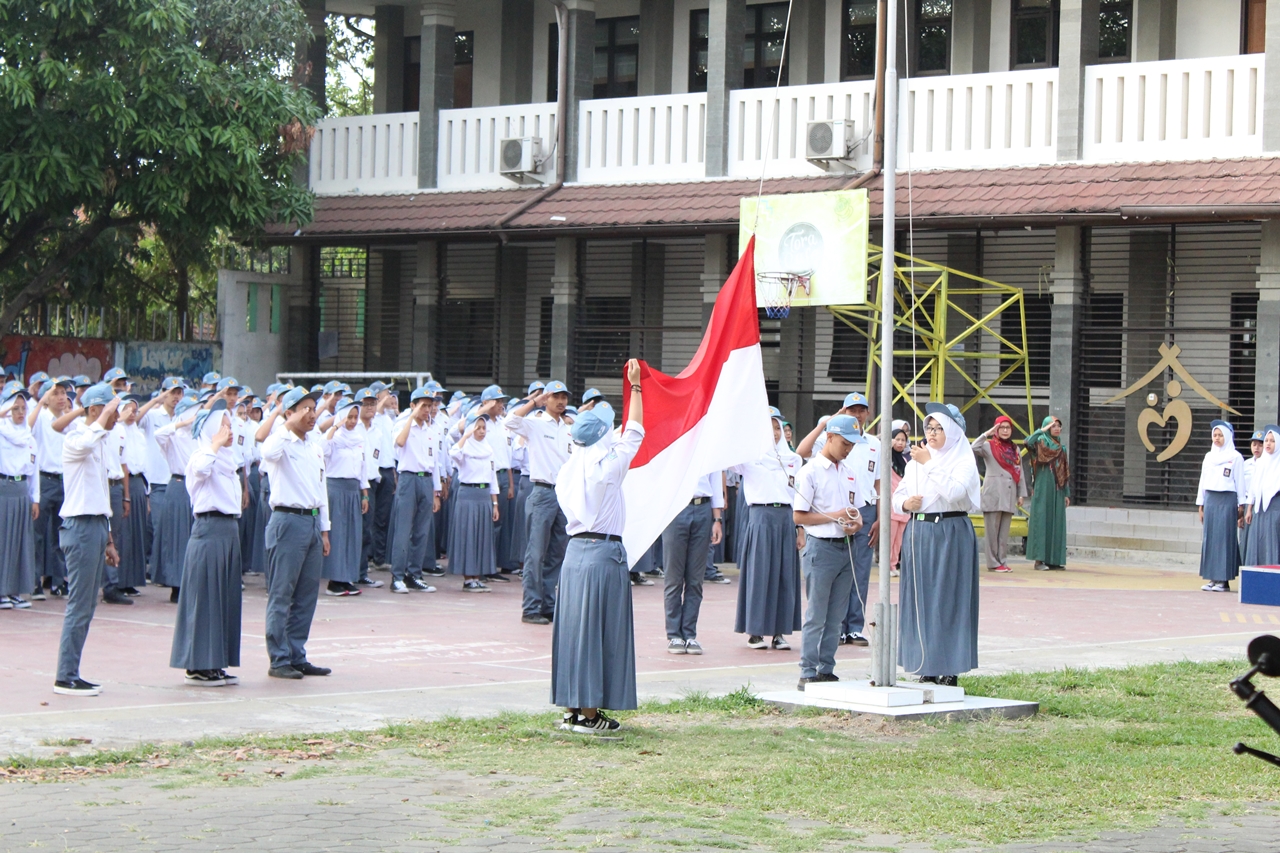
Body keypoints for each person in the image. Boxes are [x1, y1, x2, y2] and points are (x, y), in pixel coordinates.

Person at [551, 361, 645, 733]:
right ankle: (590, 716)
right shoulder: (608, 466)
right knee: (596, 634)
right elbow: (635, 429)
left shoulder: (568, 469)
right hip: (603, 555)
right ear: (604, 435)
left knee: (575, 631)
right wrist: (635, 387)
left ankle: (573, 709)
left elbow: (620, 432)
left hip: (574, 555)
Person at [893, 402, 982, 687]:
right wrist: (905, 503)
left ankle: (950, 666)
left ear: (953, 432)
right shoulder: (918, 460)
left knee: (948, 598)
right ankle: (925, 663)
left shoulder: (962, 460)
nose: (931, 434)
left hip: (950, 531)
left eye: (939, 428)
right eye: (929, 428)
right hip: (919, 531)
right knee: (921, 598)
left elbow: (955, 493)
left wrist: (928, 464)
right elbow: (899, 495)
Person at [259, 386, 333, 680]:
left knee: (306, 595)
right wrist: (285, 422)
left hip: (312, 521)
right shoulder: (282, 443)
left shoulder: (313, 446)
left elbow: (321, 489)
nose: (312, 414)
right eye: (305, 408)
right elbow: (266, 450)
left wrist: (324, 530)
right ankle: (278, 658)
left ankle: (296, 653)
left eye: (314, 408)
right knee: (281, 593)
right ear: (289, 413)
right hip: (287, 521)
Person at [53, 383, 122, 696]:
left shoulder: (100, 440)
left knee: (87, 606)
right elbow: (84, 442)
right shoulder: (77, 438)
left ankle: (72, 671)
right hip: (80, 528)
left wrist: (108, 538)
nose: (118, 416)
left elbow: (101, 492)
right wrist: (100, 415)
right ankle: (65, 676)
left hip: (94, 526)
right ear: (96, 409)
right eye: (112, 410)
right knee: (79, 605)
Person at [170, 402, 243, 686]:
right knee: (205, 599)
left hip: (228, 529)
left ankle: (216, 661)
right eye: (224, 424)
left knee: (224, 598)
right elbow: (200, 470)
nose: (230, 429)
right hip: (209, 527)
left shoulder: (228, 460)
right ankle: (197, 665)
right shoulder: (201, 455)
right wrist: (213, 445)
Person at [792, 416, 866, 691]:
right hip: (820, 548)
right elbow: (798, 515)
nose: (847, 449)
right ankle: (807, 669)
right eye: (845, 443)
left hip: (845, 548)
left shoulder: (848, 472)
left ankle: (827, 667)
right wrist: (836, 517)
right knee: (817, 614)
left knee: (836, 615)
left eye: (852, 445)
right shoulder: (810, 472)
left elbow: (857, 510)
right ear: (831, 437)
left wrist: (855, 524)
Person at [731, 407, 803, 650]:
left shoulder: (792, 460)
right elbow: (729, 456)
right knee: (760, 574)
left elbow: (797, 495)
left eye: (776, 427)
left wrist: (800, 528)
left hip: (785, 518)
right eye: (768, 427)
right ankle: (756, 631)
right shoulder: (749, 458)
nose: (773, 433)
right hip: (760, 517)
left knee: (784, 575)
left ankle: (780, 632)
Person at [506, 380, 574, 625]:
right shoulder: (535, 423)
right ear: (548, 399)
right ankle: (531, 607)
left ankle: (548, 605)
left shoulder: (569, 427)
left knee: (557, 553)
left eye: (564, 397)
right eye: (556, 396)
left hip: (564, 495)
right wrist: (534, 401)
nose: (561, 401)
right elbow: (510, 421)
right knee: (535, 553)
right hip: (543, 492)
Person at [389, 386, 444, 594]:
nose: (427, 410)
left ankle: (415, 574)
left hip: (426, 481)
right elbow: (400, 443)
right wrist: (411, 417)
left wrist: (436, 491)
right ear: (412, 405)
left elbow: (435, 463)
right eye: (423, 405)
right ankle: (397, 576)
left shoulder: (431, 431)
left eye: (430, 406)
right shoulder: (403, 425)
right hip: (408, 478)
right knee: (403, 530)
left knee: (422, 531)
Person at [662, 472, 723, 655]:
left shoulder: (707, 446)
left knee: (695, 579)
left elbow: (715, 481)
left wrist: (717, 519)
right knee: (674, 577)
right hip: (676, 507)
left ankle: (689, 634)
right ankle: (674, 634)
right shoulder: (674, 445)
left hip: (703, 507)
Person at [29, 376, 74, 598]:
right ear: (46, 398)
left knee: (61, 535)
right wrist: (39, 402)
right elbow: (28, 425)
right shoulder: (41, 418)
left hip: (64, 481)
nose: (61, 397)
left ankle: (59, 580)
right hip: (44, 480)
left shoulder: (69, 421)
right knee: (37, 534)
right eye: (55, 393)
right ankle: (35, 580)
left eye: (64, 393)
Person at [321, 398, 368, 597]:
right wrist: (335, 427)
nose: (352, 421)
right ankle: (334, 579)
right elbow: (323, 450)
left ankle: (347, 577)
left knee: (352, 535)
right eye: (349, 417)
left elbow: (363, 467)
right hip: (335, 488)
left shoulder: (359, 437)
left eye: (355, 417)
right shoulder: (333, 437)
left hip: (352, 489)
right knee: (338, 534)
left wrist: (364, 493)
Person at [153, 397, 200, 600]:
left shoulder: (199, 437)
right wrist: (181, 423)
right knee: (177, 538)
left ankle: (191, 582)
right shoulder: (173, 435)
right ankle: (175, 584)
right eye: (193, 412)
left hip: (196, 486)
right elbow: (158, 433)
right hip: (179, 485)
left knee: (192, 536)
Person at [448, 412, 500, 592]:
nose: (482, 431)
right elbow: (453, 452)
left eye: (484, 427)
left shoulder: (488, 449)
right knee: (468, 535)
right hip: (467, 494)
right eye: (477, 427)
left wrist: (494, 503)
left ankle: (477, 576)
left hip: (484, 495)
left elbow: (492, 478)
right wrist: (466, 435)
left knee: (482, 536)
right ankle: (468, 578)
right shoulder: (464, 448)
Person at [971, 415, 1028, 573]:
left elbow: (1019, 472)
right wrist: (986, 434)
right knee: (992, 531)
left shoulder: (1014, 449)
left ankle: (1002, 560)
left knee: (1003, 532)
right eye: (1001, 428)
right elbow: (973, 447)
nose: (1004, 431)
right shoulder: (989, 446)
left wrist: (1021, 493)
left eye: (1007, 428)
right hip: (994, 493)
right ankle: (993, 563)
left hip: (1009, 493)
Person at [1196, 420, 1246, 593]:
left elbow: (1240, 482)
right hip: (1211, 499)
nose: (1217, 438)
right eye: (1215, 435)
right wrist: (1200, 505)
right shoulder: (1209, 457)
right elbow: (1203, 481)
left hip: (1227, 500)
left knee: (1224, 539)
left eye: (1220, 435)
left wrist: (1241, 505)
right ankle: (1212, 578)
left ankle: (1223, 580)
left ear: (1227, 436)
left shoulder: (1236, 457)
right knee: (1210, 538)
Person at [0, 381, 38, 611]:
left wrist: (36, 498)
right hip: (3, 490)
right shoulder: (2, 432)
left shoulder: (29, 437)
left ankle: (14, 590)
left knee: (20, 543)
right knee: (3, 541)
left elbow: (35, 471)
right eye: (15, 408)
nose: (20, 413)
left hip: (22, 491)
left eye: (24, 408)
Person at [1024, 415, 1071, 571]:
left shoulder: (1061, 448)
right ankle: (1039, 560)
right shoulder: (1039, 443)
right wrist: (1041, 431)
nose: (1057, 428)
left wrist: (1066, 493)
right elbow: (1027, 442)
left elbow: (1064, 472)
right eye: (1053, 426)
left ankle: (1054, 560)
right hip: (1043, 487)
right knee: (1042, 520)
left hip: (1058, 489)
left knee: (1056, 522)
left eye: (1058, 425)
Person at [116, 396, 149, 594]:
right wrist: (126, 494)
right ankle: (118, 580)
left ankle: (131, 580)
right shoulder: (117, 432)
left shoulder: (139, 434)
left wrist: (147, 494)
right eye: (127, 409)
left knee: (137, 533)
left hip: (138, 482)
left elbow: (144, 464)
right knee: (124, 535)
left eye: (134, 410)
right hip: (123, 483)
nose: (131, 413)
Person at [1246, 426, 1280, 566]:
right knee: (1257, 544)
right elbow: (1254, 487)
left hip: (1275, 509)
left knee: (1273, 543)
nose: (1268, 443)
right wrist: (1249, 509)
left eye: (1272, 441)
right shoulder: (1260, 462)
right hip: (1259, 510)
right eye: (1266, 440)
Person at [887, 427, 910, 576]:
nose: (900, 443)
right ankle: (887, 565)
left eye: (903, 440)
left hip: (903, 502)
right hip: (891, 502)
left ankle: (894, 564)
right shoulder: (887, 458)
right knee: (890, 536)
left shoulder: (905, 459)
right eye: (897, 439)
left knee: (900, 538)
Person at [1241, 429, 1264, 562]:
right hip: (1246, 505)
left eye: (1260, 445)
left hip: (1261, 505)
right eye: (1254, 444)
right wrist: (1241, 510)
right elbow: (1242, 488)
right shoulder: (1246, 465)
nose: (1257, 448)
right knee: (1245, 539)